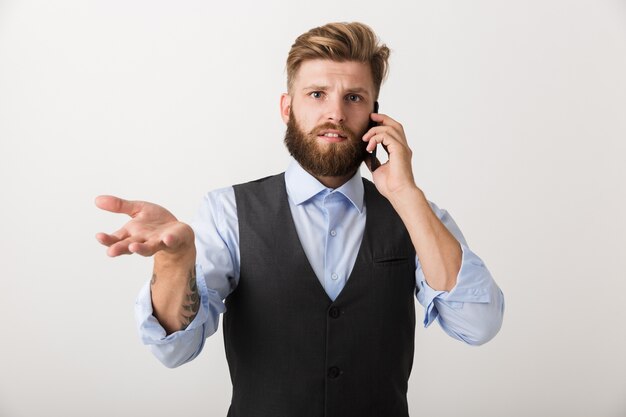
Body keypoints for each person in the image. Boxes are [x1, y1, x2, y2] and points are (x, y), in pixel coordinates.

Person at [96, 22, 504, 417]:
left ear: (376, 116)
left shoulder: (416, 216)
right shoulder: (228, 212)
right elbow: (174, 351)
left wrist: (406, 195)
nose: (336, 113)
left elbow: (477, 325)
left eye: (354, 98)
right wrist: (173, 262)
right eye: (316, 94)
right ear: (287, 108)